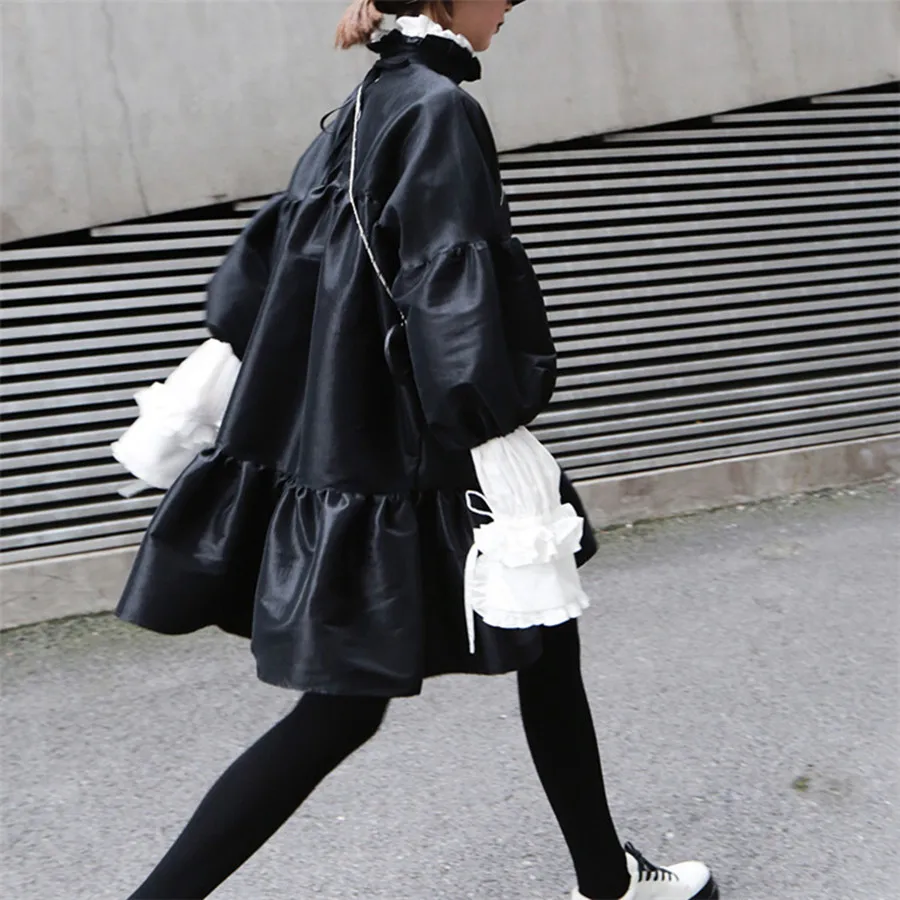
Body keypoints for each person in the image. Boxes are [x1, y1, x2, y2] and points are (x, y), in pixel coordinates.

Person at [112, 2, 720, 898]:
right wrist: (495, 421)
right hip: (421, 455)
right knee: (349, 707)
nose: (513, 3)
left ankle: (608, 880)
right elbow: (452, 286)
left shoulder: (366, 103)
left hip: (362, 448)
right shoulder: (439, 108)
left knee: (532, 652)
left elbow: (266, 282)